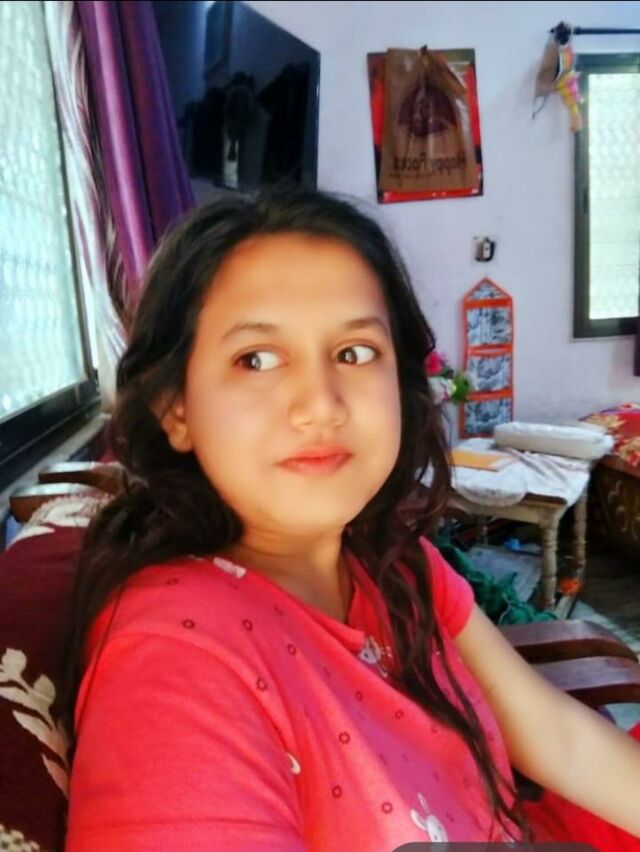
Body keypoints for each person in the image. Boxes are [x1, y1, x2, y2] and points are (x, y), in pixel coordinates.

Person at [61, 186, 640, 850]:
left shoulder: (396, 565)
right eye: (256, 359)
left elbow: (558, 739)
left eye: (355, 352)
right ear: (177, 410)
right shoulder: (176, 664)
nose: (321, 404)